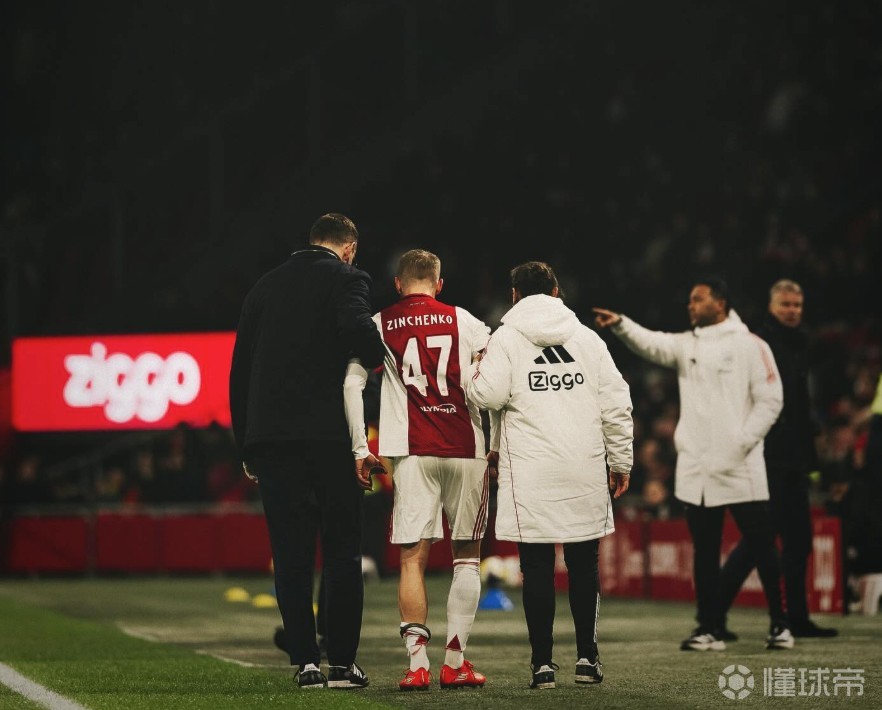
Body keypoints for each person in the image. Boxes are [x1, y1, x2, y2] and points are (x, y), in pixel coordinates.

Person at [229, 213, 386, 690]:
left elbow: (240, 372)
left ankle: (305, 663)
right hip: (330, 439)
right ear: (349, 248)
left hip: (272, 441)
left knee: (291, 554)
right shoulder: (349, 278)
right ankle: (341, 663)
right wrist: (374, 351)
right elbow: (362, 336)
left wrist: (246, 444)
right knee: (342, 550)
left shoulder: (263, 287)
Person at [593, 277, 793, 651]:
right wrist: (621, 324)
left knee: (762, 544)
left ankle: (780, 624)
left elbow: (771, 399)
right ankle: (709, 628)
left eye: (698, 299)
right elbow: (653, 343)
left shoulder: (751, 345)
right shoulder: (689, 344)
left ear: (720, 303)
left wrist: (741, 442)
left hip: (740, 465)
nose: (691, 305)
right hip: (697, 467)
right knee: (705, 550)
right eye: (690, 300)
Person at [465, 261, 634, 690]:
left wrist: (474, 368)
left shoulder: (505, 339)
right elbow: (617, 404)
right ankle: (587, 659)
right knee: (584, 566)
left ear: (515, 295)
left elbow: (487, 395)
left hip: (531, 470)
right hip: (583, 467)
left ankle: (542, 665)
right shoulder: (588, 339)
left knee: (536, 569)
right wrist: (621, 460)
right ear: (556, 290)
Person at [343, 249, 493, 691]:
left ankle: (417, 665)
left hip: (410, 452)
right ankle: (455, 662)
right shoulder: (466, 321)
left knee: (412, 558)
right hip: (466, 447)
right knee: (467, 556)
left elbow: (351, 384)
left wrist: (359, 448)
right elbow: (496, 381)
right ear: (439, 284)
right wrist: (501, 443)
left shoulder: (379, 323)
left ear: (397, 284)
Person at [717, 279, 837, 638]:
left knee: (795, 540)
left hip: (793, 457)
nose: (792, 311)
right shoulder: (759, 344)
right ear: (772, 306)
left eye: (796, 305)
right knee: (761, 540)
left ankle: (795, 618)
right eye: (785, 305)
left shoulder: (797, 343)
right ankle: (713, 616)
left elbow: (795, 401)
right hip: (769, 456)